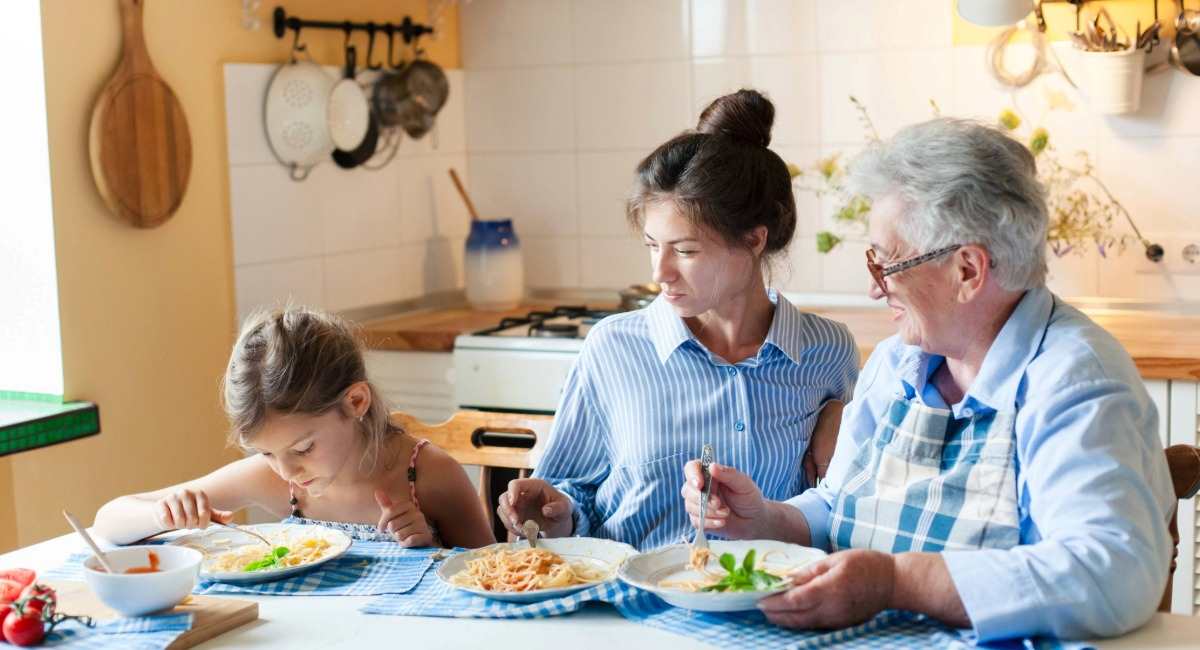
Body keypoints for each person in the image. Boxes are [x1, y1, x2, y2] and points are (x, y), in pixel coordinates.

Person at [681, 117, 1175, 641]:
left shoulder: (1073, 378)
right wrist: (764, 519)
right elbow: (841, 504)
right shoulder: (899, 363)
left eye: (886, 262)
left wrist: (896, 581)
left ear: (967, 270)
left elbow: (1112, 572)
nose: (876, 289)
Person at [496, 89, 860, 551]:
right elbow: (572, 494)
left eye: (685, 251)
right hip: (630, 603)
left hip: (766, 606)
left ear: (753, 240)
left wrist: (842, 416)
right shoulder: (614, 348)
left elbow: (841, 505)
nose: (659, 273)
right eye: (653, 246)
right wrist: (558, 512)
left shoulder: (828, 353)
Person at [94, 307, 494, 548]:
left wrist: (430, 546)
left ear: (355, 402)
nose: (287, 471)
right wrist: (163, 516)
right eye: (266, 453)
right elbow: (108, 520)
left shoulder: (426, 475)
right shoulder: (276, 480)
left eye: (303, 449)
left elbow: (494, 578)